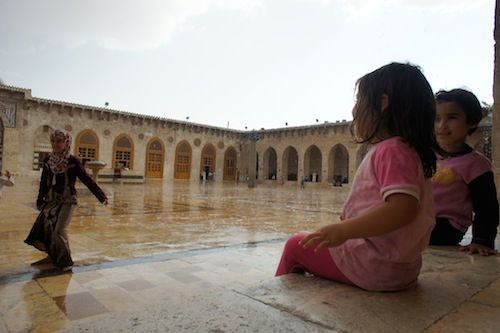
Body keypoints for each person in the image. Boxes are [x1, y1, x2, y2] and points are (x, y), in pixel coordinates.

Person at [276, 62, 441, 291]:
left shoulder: (391, 150)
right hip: (403, 268)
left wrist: (343, 231)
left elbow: (403, 208)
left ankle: (279, 296)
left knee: (295, 246)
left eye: (358, 101)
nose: (354, 111)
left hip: (371, 265)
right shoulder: (411, 152)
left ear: (382, 103)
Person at [25, 129, 109, 271]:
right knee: (48, 229)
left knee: (59, 230)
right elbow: (43, 182)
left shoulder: (72, 161)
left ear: (66, 142)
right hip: (51, 200)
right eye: (53, 141)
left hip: (67, 200)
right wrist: (40, 201)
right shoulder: (48, 160)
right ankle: (51, 257)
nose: (55, 144)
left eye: (59, 141)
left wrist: (101, 196)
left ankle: (65, 261)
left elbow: (87, 179)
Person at [430, 88, 499, 256]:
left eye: (452, 118)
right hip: (422, 219)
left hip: (447, 225)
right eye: (437, 118)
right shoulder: (428, 154)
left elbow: (486, 206)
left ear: (473, 121)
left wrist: (482, 240)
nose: (442, 125)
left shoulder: (475, 163)